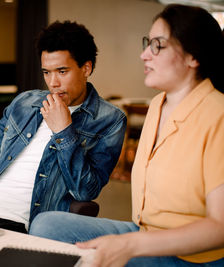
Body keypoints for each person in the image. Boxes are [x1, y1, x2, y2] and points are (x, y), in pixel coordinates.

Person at [29, 4, 224, 266]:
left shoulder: (218, 115)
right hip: (145, 233)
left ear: (193, 56)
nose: (144, 54)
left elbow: (220, 227)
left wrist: (131, 245)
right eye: (147, 43)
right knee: (47, 225)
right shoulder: (157, 105)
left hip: (190, 257)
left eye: (157, 45)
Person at [0, 21, 126, 233]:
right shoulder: (24, 102)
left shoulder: (110, 120)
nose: (53, 83)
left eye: (62, 71)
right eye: (46, 72)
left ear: (86, 68)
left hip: (22, 226)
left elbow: (85, 191)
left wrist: (64, 131)